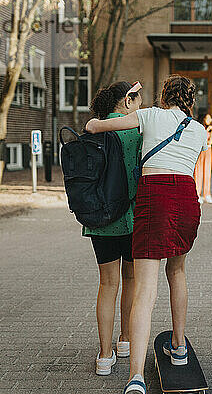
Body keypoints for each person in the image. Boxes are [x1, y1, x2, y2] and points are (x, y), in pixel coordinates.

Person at [85, 75, 208, 394]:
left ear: (163, 97)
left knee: (145, 292)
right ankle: (179, 348)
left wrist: (99, 121)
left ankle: (135, 377)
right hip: (186, 199)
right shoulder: (199, 130)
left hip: (155, 200)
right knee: (178, 272)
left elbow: (94, 128)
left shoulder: (150, 115)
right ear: (190, 101)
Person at [83, 81, 143, 376]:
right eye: (138, 98)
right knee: (131, 280)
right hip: (132, 216)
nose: (141, 104)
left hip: (100, 218)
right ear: (127, 102)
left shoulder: (93, 128)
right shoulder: (136, 130)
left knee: (107, 285)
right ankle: (126, 339)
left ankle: (105, 356)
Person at [194, 113, 212, 204]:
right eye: (207, 118)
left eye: (210, 118)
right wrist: (205, 131)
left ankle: (207, 194)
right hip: (200, 151)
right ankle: (197, 194)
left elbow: (210, 142)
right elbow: (200, 140)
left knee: (207, 172)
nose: (209, 120)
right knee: (198, 173)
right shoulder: (199, 128)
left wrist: (208, 131)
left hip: (208, 151)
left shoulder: (211, 130)